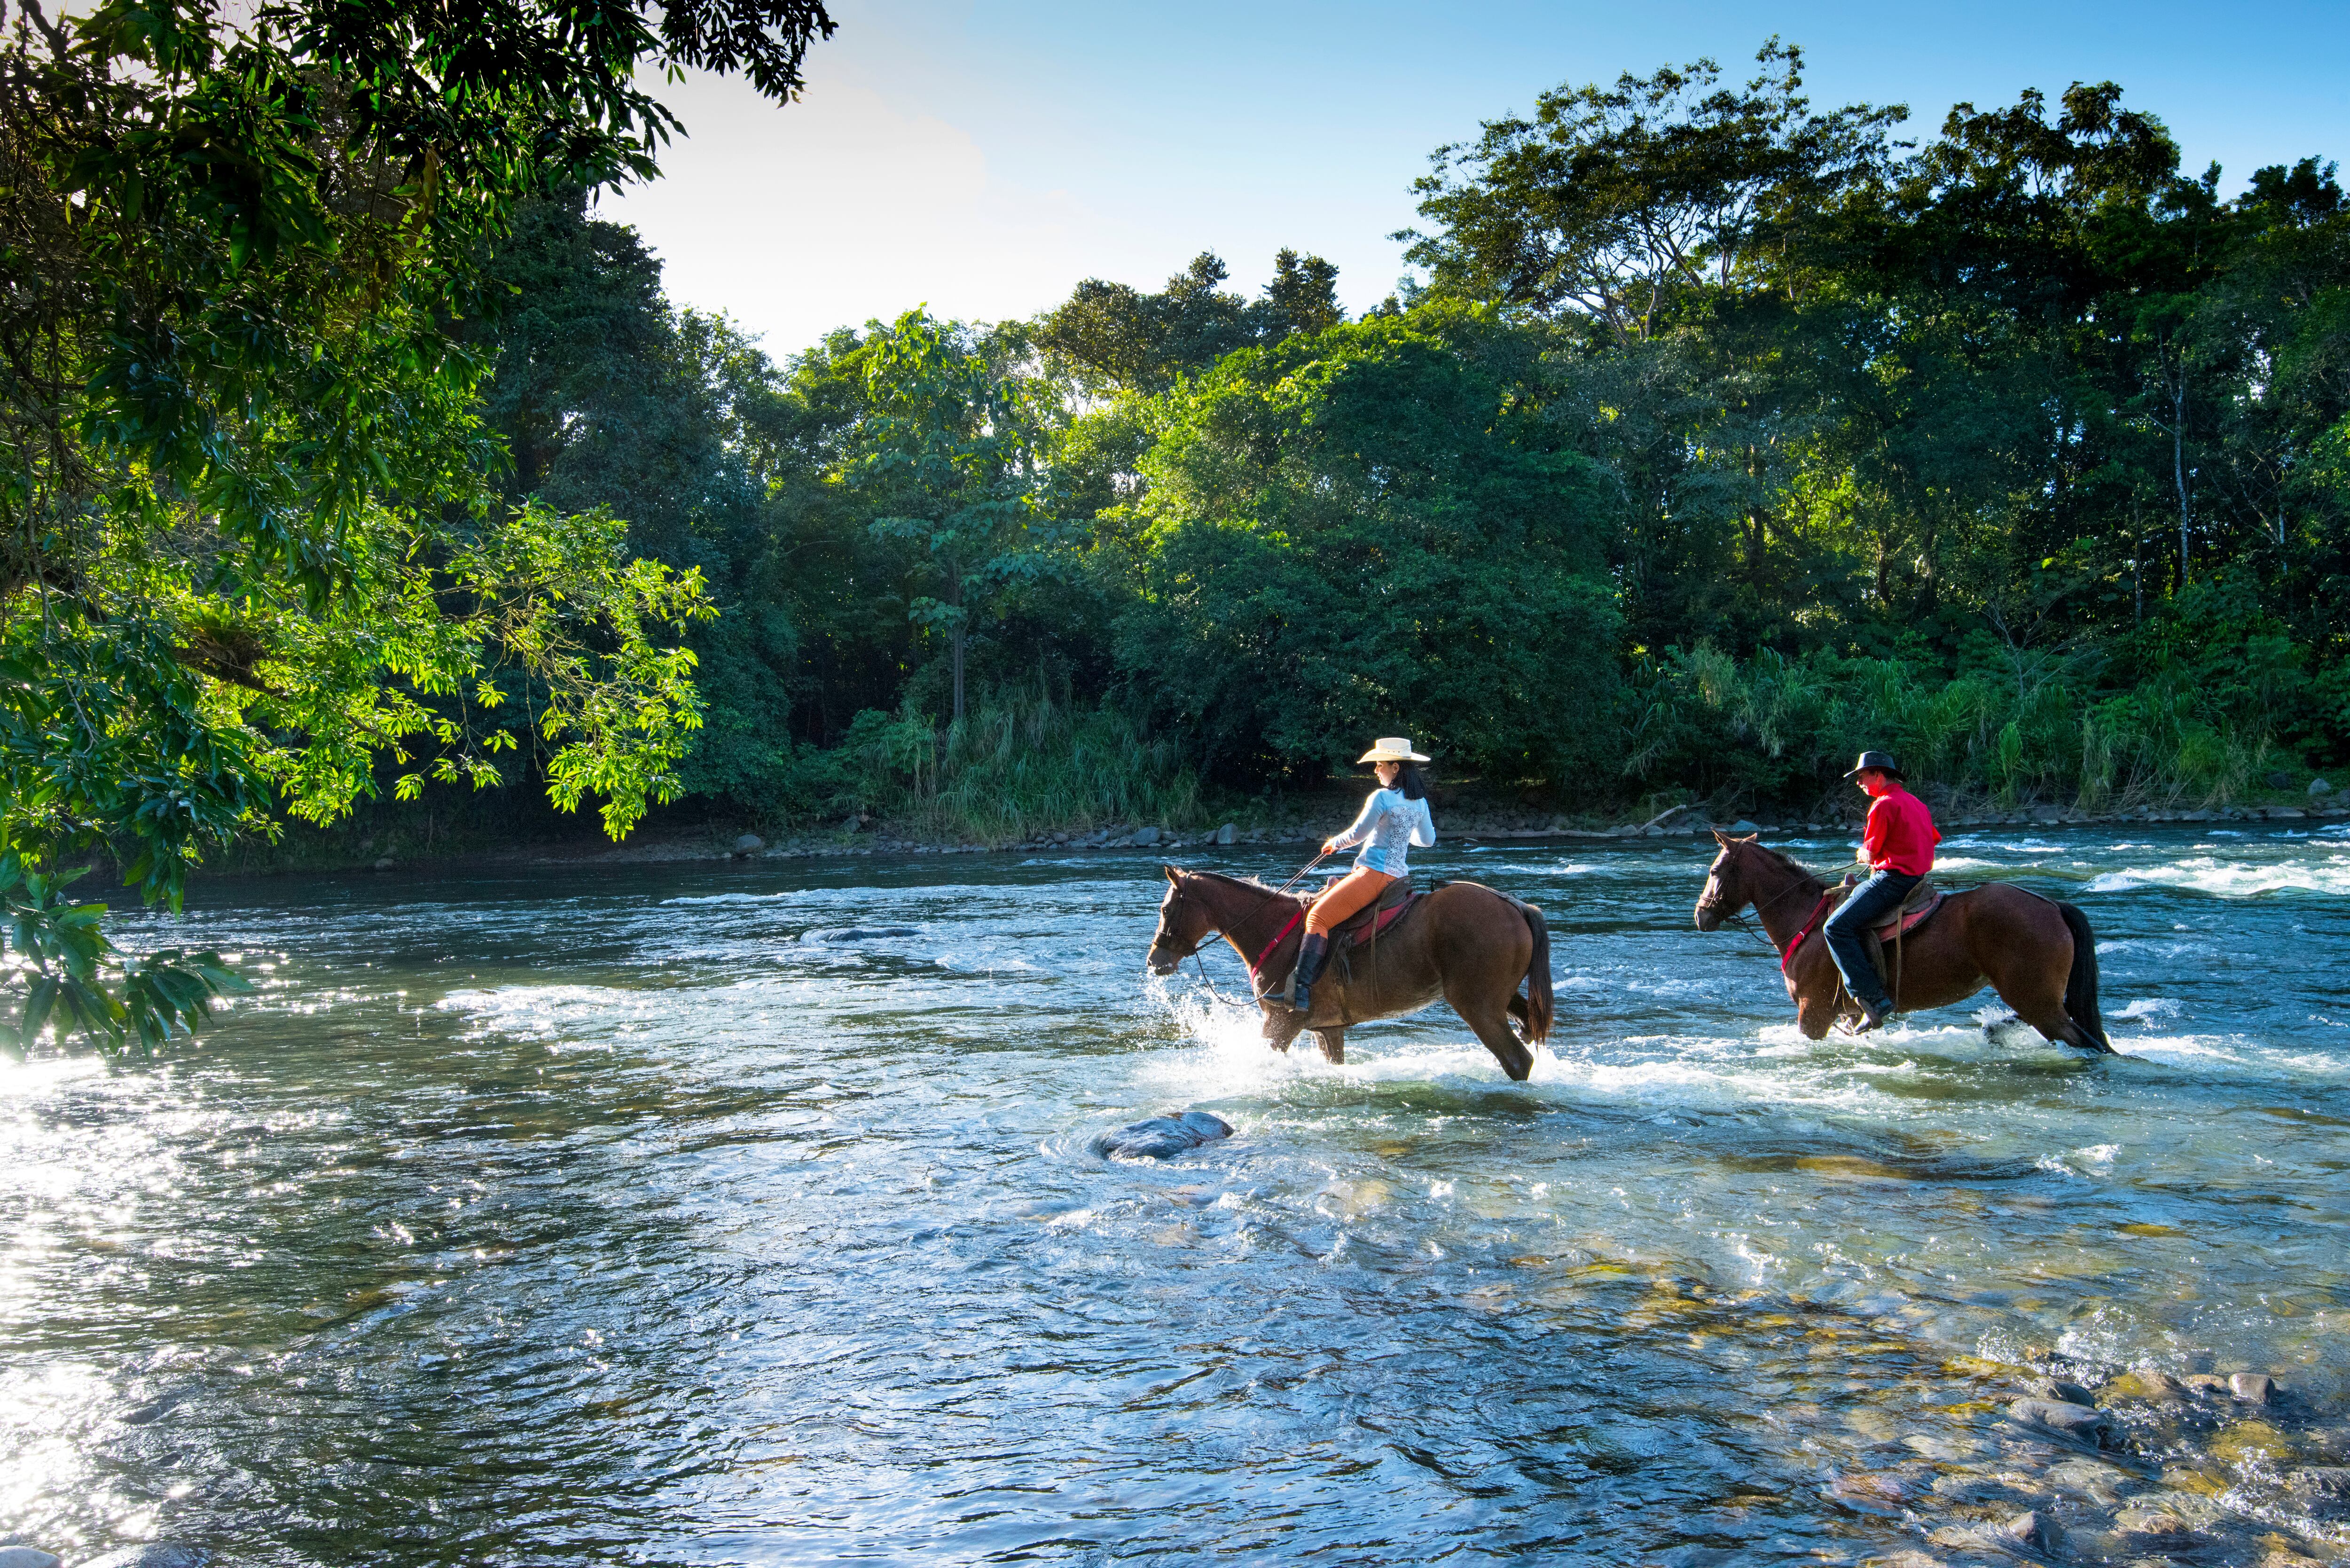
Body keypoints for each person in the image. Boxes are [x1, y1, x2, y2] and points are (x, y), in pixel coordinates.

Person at [1278, 738, 1437, 1015]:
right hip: (1399, 880)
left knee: (1317, 918)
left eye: (1380, 765)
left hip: (1373, 875)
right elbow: (1428, 840)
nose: (1376, 770)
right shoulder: (1419, 803)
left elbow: (1358, 834)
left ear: (1395, 767)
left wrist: (1334, 843)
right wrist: (1402, 832)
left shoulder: (1382, 798)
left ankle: (1300, 993)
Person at [1824, 749, 1942, 1032]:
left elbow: (1872, 851)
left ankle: (1874, 1000)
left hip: (1892, 880)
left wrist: (1863, 853)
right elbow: (1933, 839)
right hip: (1918, 881)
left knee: (1835, 928)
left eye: (1862, 777)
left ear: (1878, 774)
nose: (1859, 783)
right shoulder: (1916, 803)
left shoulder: (1883, 805)